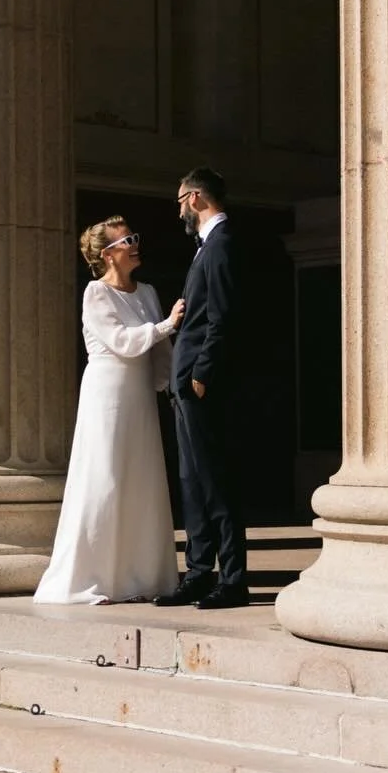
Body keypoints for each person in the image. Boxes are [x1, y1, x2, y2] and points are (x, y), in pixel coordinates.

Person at [34, 217, 185, 605]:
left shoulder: (147, 291)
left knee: (141, 478)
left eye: (135, 237)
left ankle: (141, 577)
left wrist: (167, 383)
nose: (135, 244)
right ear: (107, 254)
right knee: (105, 477)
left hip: (139, 396)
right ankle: (92, 577)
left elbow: (158, 353)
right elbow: (121, 341)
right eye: (126, 240)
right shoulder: (95, 293)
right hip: (108, 395)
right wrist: (167, 324)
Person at [154, 167, 249, 610]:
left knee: (215, 480)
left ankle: (232, 579)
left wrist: (201, 373)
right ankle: (198, 571)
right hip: (186, 384)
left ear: (194, 198)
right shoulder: (206, 247)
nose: (177, 212)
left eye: (178, 202)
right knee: (192, 479)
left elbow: (224, 318)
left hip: (201, 384)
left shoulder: (224, 243)